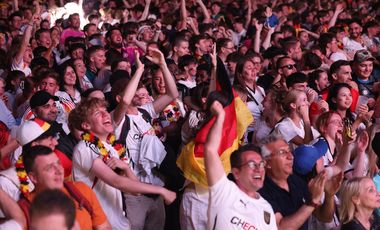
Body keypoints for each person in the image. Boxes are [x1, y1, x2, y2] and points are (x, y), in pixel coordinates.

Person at [71, 98, 176, 230]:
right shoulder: (85, 147)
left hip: (119, 223)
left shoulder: (113, 148)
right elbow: (116, 181)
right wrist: (161, 190)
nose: (105, 114)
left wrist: (126, 168)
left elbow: (135, 191)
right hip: (98, 223)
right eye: (97, 113)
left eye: (105, 110)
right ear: (86, 125)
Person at [204, 100, 277, 229]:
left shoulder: (266, 209)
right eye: (252, 164)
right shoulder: (224, 191)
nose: (258, 170)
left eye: (261, 165)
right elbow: (210, 150)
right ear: (236, 172)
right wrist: (220, 116)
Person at [19, 145, 111, 229]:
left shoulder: (80, 190)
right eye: (49, 168)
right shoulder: (23, 211)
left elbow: (104, 227)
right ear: (33, 177)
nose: (58, 170)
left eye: (58, 163)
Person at [258, 136, 337, 230]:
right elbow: (280, 227)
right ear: (266, 163)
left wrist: (329, 196)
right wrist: (312, 202)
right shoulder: (260, 190)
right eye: (282, 152)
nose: (290, 157)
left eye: (289, 151)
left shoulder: (296, 181)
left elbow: (324, 217)